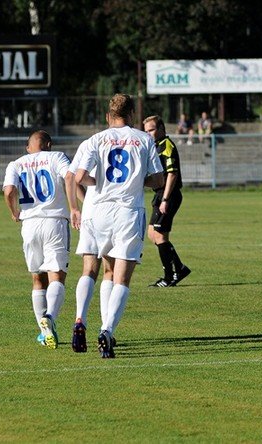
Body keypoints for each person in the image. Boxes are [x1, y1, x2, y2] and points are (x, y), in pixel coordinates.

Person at [75, 93, 164, 358]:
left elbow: (79, 177)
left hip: (99, 211)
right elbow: (158, 179)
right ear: (132, 115)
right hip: (128, 212)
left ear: (108, 116)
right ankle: (107, 330)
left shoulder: (97, 139)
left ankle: (81, 319)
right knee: (122, 277)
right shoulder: (144, 139)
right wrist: (138, 182)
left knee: (105, 270)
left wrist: (99, 183)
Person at [2, 130, 79, 350]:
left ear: (28, 148)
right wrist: (75, 206)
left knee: (38, 279)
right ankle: (50, 317)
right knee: (57, 277)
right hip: (54, 221)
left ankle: (44, 333)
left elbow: (9, 191)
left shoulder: (16, 163)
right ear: (49, 144)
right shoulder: (56, 157)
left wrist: (14, 212)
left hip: (29, 225)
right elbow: (70, 177)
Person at [68, 139, 115, 353]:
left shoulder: (89, 143)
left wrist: (77, 207)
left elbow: (71, 177)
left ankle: (80, 320)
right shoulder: (128, 142)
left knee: (88, 269)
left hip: (90, 213)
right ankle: (106, 330)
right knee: (110, 271)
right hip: (112, 212)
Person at [143, 115, 191, 288]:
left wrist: (165, 199)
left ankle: (169, 276)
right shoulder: (155, 147)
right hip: (160, 194)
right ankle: (179, 268)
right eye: (146, 131)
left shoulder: (166, 146)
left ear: (162, 129)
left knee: (159, 235)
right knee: (152, 234)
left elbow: (172, 173)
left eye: (152, 129)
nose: (148, 134)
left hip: (168, 195)